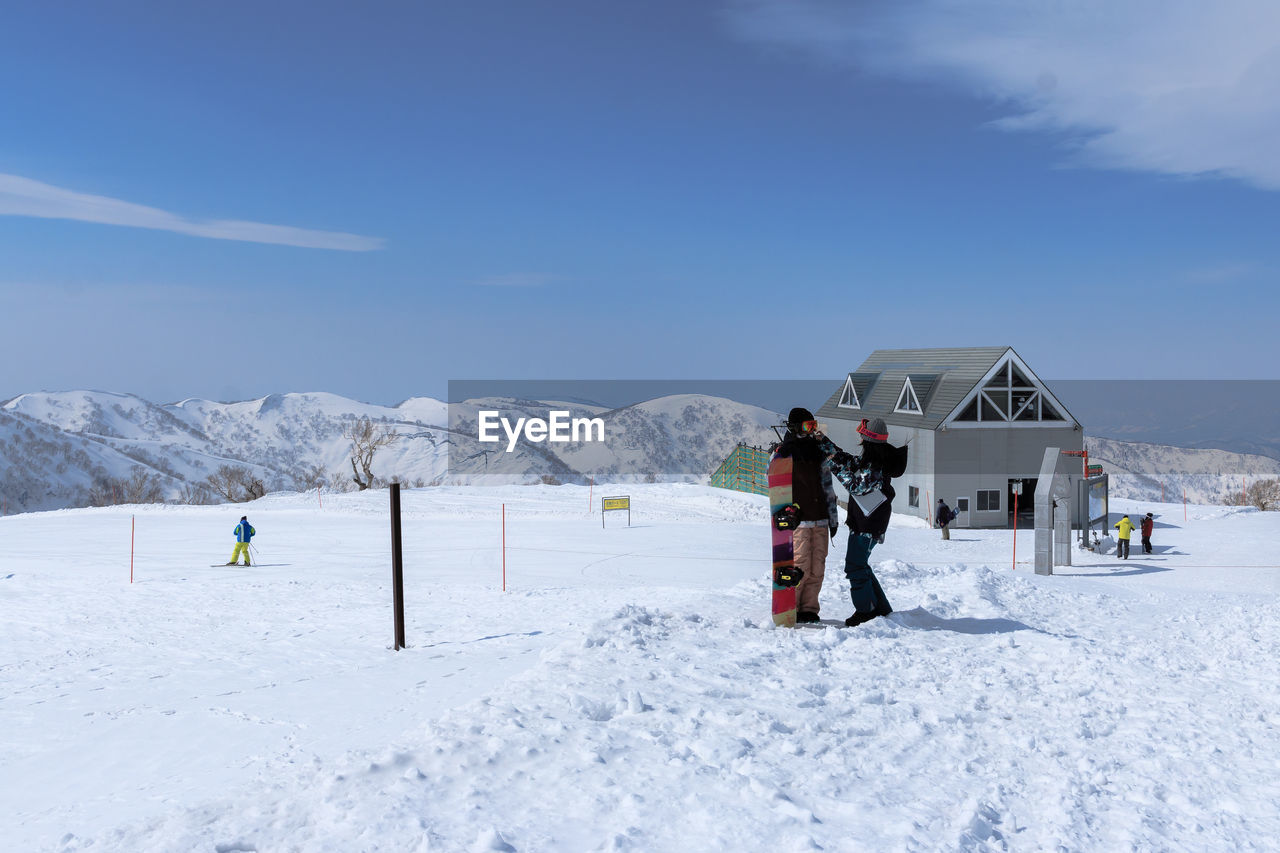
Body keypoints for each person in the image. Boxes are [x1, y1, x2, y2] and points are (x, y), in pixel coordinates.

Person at [827, 417, 908, 627]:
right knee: (861, 564)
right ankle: (880, 607)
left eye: (862, 436)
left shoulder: (874, 466)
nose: (860, 440)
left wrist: (831, 465)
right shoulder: (876, 459)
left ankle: (865, 611)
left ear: (868, 439)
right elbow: (850, 461)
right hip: (870, 522)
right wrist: (827, 446)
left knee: (854, 566)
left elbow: (856, 486)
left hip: (867, 524)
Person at [776, 407, 841, 624]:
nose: (811, 431)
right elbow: (776, 483)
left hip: (821, 518)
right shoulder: (786, 452)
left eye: (813, 425)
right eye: (807, 426)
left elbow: (828, 487)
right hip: (799, 521)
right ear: (795, 427)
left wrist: (833, 518)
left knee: (818, 567)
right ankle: (792, 606)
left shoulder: (818, 451)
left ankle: (809, 609)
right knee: (801, 565)